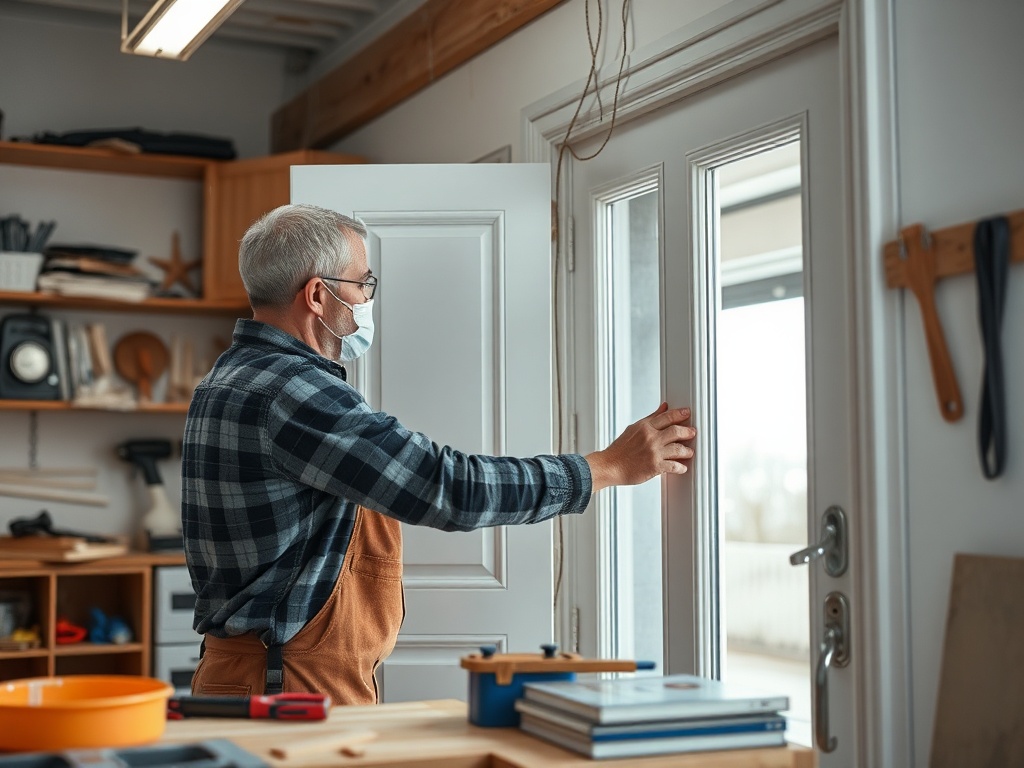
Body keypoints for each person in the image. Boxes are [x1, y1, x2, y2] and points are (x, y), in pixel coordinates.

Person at [182, 203, 696, 705]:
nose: (366, 298)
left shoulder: (226, 380)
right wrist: (606, 467)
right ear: (318, 295)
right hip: (288, 682)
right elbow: (447, 488)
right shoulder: (296, 392)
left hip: (248, 669)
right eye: (363, 283)